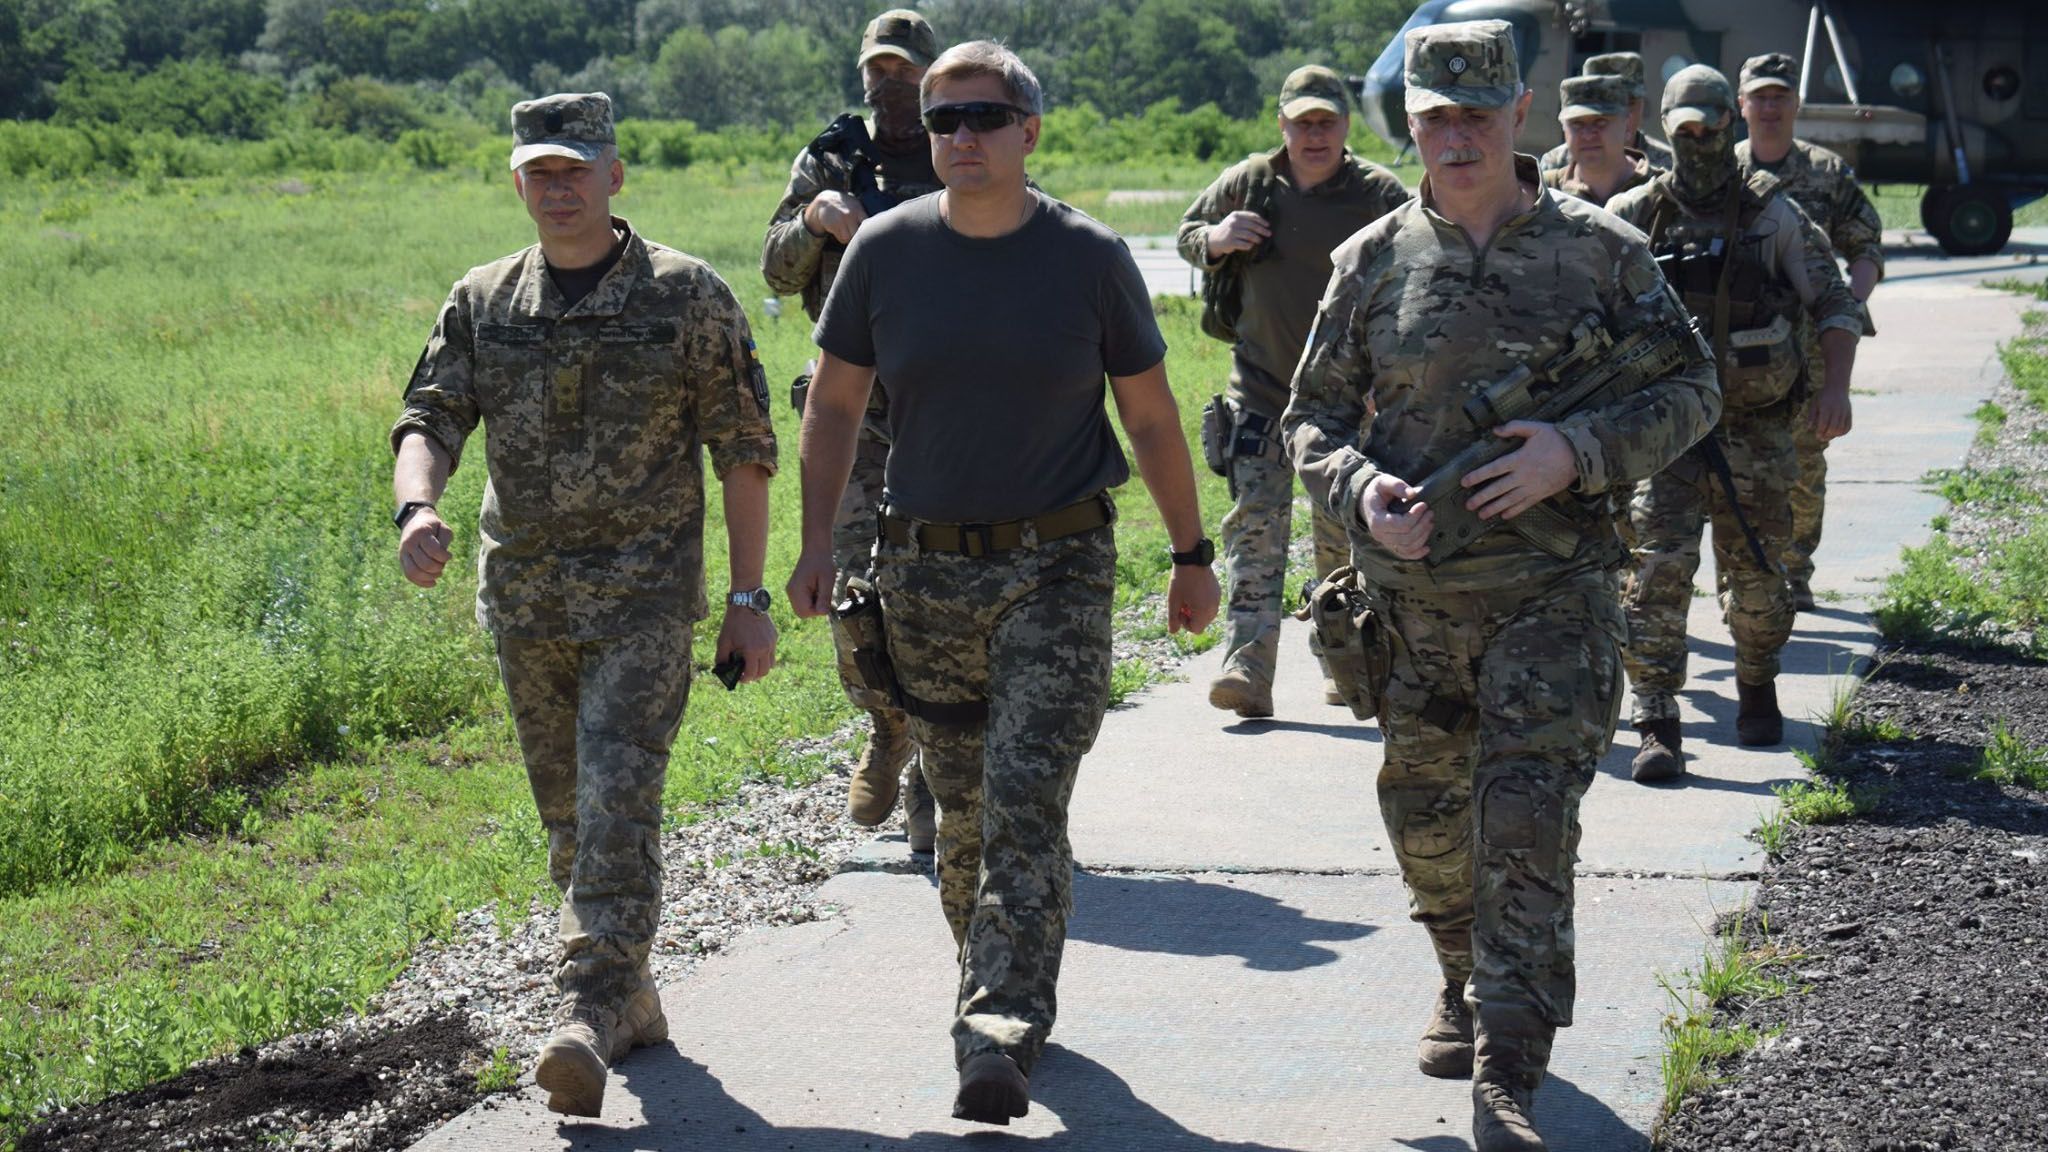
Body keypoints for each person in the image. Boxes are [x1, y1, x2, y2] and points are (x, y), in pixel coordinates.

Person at [1284, 22, 1717, 1151]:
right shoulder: (1371, 259)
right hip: (1411, 605)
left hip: (1551, 590)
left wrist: (1574, 452)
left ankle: (1506, 1064)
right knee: (1426, 823)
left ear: (1517, 113)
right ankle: (1457, 972)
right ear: (1412, 123)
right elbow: (1308, 421)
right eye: (1435, 117)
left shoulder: (1602, 250)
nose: (1456, 137)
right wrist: (1361, 489)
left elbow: (1691, 388)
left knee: (1523, 822)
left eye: (1476, 115)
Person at [785, 41, 1220, 1125]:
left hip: (1058, 565)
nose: (962, 139)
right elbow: (833, 409)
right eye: (942, 122)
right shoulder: (883, 253)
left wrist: (1190, 553)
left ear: (1030, 129)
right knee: (965, 815)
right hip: (923, 571)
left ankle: (994, 1026)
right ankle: (999, 986)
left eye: (984, 117)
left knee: (1026, 795)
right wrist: (809, 550)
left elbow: (1152, 416)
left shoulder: (1086, 256)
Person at [389, 91, 778, 1118]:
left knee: (615, 798)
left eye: (576, 169)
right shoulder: (483, 301)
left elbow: (742, 451)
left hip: (643, 603)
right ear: (517, 183)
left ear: (615, 175)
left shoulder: (686, 296)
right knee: (570, 821)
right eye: (539, 173)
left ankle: (585, 1011)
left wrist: (748, 597)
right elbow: (428, 413)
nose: (557, 189)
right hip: (524, 603)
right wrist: (415, 508)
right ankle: (634, 999)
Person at [1605, 66, 1861, 781]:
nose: (1698, 142)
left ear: (1730, 124)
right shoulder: (1634, 215)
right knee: (1655, 572)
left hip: (1755, 431)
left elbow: (1836, 304)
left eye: (1710, 128)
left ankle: (1756, 681)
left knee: (1758, 580)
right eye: (1683, 130)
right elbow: (1584, 322)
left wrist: (1834, 390)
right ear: (1666, 128)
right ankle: (1656, 716)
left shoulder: (1773, 213)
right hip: (1665, 432)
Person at [1177, 64, 1410, 719]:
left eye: (1326, 123)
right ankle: (1247, 670)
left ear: (1344, 127)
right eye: (1302, 123)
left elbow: (1425, 269)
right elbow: (1188, 235)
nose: (1314, 135)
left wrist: (1387, 380)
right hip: (1258, 396)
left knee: (1342, 542)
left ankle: (1346, 665)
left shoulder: (1377, 193)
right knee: (1256, 535)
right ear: (1282, 125)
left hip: (1346, 405)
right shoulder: (1250, 183)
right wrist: (1217, 240)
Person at [762, 9, 942, 846]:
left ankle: (936, 781)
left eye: (902, 72)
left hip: (949, 404)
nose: (886, 84)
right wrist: (811, 221)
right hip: (851, 407)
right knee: (850, 588)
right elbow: (772, 264)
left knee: (942, 593)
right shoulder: (833, 156)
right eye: (876, 70)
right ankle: (886, 724)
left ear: (931, 78)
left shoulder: (960, 141)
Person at [1735, 51, 1885, 611]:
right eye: (1760, 96)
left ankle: (1794, 572)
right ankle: (1744, 569)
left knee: (1803, 460)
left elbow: (1865, 243)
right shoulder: (1724, 173)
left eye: (1780, 96)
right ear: (1741, 105)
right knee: (1740, 457)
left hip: (1808, 344)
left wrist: (1846, 303)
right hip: (1741, 347)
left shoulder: (1825, 172)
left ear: (1796, 104)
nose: (1770, 107)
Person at [1537, 51, 1672, 174]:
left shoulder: (1667, 164)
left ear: (1642, 104)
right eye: (1606, 110)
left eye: (1629, 103)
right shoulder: (1555, 164)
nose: (1624, 114)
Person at [1540, 74, 1653, 208]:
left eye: (1600, 122)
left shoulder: (1657, 191)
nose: (1588, 135)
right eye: (1577, 124)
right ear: (1564, 127)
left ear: (1627, 125)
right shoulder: (1543, 192)